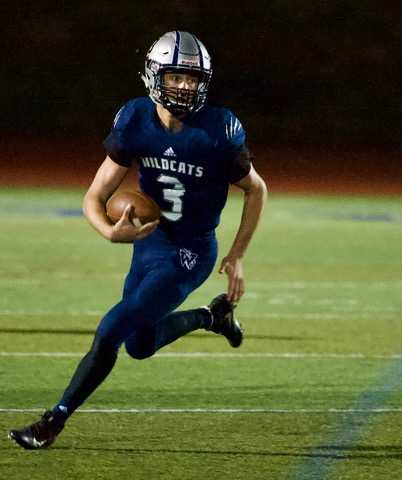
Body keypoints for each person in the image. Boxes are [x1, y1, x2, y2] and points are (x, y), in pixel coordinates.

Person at [9, 30, 267, 449]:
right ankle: (211, 317)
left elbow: (257, 189)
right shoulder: (134, 120)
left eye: (192, 78)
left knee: (112, 328)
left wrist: (237, 256)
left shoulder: (219, 129)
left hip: (191, 251)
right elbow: (95, 195)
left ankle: (53, 421)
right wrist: (109, 231)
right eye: (175, 76)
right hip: (149, 243)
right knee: (139, 344)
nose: (185, 86)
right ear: (154, 76)